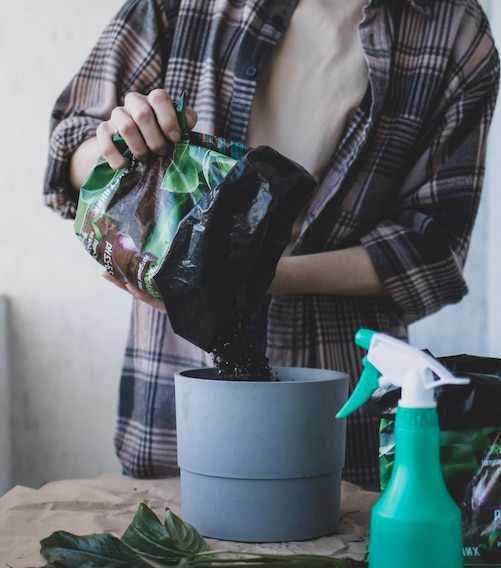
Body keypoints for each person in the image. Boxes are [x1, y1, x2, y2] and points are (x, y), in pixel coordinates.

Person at [43, 0, 499, 491]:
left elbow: (434, 249)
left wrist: (249, 273)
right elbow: (69, 148)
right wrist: (117, 145)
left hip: (337, 410)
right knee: (180, 555)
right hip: (172, 396)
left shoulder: (454, 31)